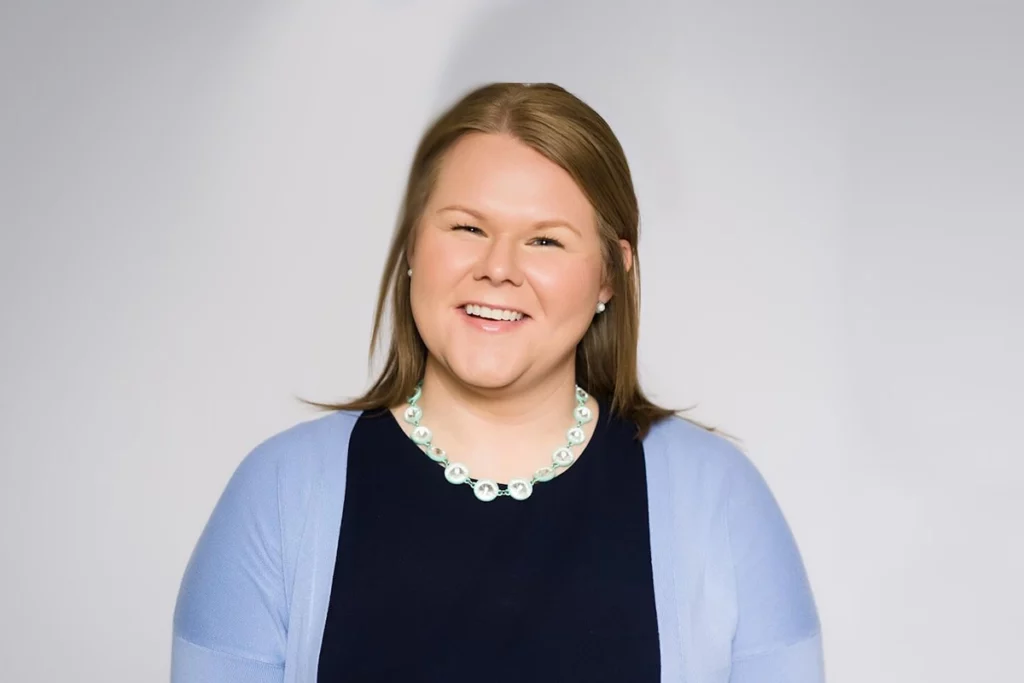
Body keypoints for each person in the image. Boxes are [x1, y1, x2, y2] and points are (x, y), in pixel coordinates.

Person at [171, 82, 823, 683]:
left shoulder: (719, 501)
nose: (498, 268)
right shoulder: (281, 494)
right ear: (412, 248)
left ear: (609, 275)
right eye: (467, 227)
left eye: (545, 241)